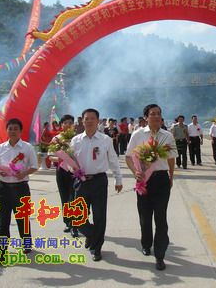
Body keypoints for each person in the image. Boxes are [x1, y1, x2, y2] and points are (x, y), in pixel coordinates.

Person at [126, 104, 177, 271]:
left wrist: (171, 176)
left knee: (161, 218)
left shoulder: (167, 136)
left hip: (162, 179)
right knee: (145, 216)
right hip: (144, 181)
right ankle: (146, 243)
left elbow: (171, 158)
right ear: (146, 117)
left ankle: (160, 255)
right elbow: (128, 157)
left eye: (158, 114)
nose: (155, 116)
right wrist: (136, 173)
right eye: (152, 114)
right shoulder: (138, 134)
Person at [70, 108, 123, 262]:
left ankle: (96, 248)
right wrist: (70, 168)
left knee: (99, 216)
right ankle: (92, 235)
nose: (89, 121)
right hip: (81, 181)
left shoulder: (105, 140)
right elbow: (70, 161)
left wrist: (118, 179)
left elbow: (113, 160)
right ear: (82, 121)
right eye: (86, 118)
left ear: (98, 121)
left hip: (99, 181)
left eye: (93, 118)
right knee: (78, 217)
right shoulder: (76, 140)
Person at [0, 118, 38, 263]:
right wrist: (0, 172)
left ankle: (26, 243)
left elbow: (34, 166)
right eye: (10, 128)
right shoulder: (0, 148)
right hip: (3, 188)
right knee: (3, 220)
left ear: (20, 131)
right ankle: (2, 250)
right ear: (7, 130)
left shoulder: (27, 147)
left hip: (20, 188)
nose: (12, 131)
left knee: (22, 218)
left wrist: (24, 173)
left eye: (15, 129)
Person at [51, 115, 76, 234]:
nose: (68, 124)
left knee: (75, 197)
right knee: (65, 197)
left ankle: (76, 222)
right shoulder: (56, 139)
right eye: (65, 122)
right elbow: (50, 156)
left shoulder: (78, 138)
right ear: (61, 125)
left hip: (76, 171)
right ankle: (68, 222)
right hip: (62, 171)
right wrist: (63, 159)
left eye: (70, 122)